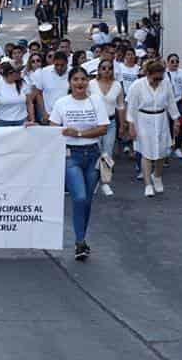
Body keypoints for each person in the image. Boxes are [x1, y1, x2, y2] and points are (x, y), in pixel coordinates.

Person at [49, 67, 109, 261]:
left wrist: (80, 134)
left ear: (87, 82)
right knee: (80, 198)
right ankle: (80, 241)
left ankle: (81, 241)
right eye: (76, 79)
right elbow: (53, 130)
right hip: (70, 156)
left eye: (83, 79)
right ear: (70, 82)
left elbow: (103, 129)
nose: (80, 83)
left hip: (92, 154)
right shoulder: (61, 103)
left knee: (88, 201)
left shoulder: (96, 101)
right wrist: (34, 129)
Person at [125, 61, 181, 197]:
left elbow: (171, 103)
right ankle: (148, 184)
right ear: (148, 74)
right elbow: (131, 107)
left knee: (161, 152)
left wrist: (176, 121)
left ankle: (157, 176)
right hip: (143, 120)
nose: (158, 81)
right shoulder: (137, 86)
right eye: (155, 78)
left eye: (160, 78)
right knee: (146, 152)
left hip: (161, 119)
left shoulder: (166, 84)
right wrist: (131, 125)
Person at [89, 59, 125, 196]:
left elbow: (121, 106)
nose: (106, 71)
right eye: (103, 68)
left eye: (109, 68)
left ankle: (105, 183)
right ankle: (93, 182)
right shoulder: (91, 84)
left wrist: (122, 125)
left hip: (111, 123)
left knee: (107, 154)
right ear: (98, 70)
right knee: (94, 154)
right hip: (94, 123)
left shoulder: (117, 85)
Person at [0, 63, 32, 127]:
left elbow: (29, 103)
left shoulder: (23, 83)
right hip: (2, 121)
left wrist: (32, 119)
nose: (20, 73)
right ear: (9, 73)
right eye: (17, 72)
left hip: (22, 120)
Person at [35, 51, 71, 124]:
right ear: (53, 62)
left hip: (68, 115)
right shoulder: (44, 72)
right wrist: (43, 113)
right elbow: (38, 93)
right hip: (49, 115)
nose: (59, 68)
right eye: (56, 65)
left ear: (67, 63)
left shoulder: (73, 72)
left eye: (62, 65)